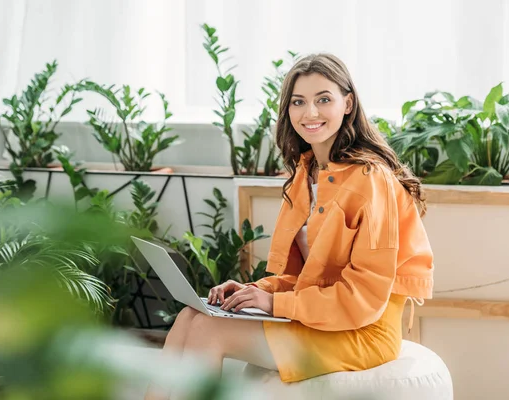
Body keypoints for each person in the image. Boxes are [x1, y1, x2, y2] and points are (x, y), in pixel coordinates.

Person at [148, 53, 434, 397]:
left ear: (348, 103)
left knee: (209, 331)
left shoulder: (372, 180)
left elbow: (364, 299)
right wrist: (256, 291)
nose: (309, 113)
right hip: (319, 317)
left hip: (363, 329)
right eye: (298, 102)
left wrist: (274, 305)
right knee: (189, 319)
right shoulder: (306, 172)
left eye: (323, 99)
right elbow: (308, 279)